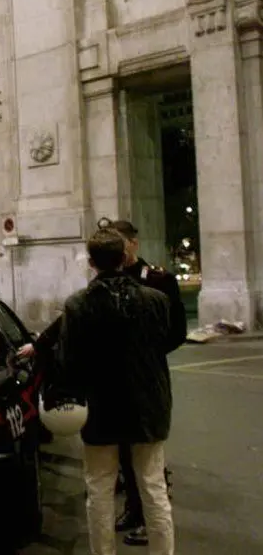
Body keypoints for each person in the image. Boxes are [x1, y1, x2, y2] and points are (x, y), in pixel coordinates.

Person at [59, 228, 176, 555]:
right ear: (124, 258)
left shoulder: (78, 305)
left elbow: (68, 361)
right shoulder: (156, 301)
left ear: (92, 263)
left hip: (100, 407)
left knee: (99, 489)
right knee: (153, 487)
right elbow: (163, 344)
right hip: (148, 405)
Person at [106, 219, 185, 546]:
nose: (119, 251)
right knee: (123, 451)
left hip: (146, 379)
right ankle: (133, 509)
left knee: (148, 456)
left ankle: (151, 522)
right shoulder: (107, 281)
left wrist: (147, 354)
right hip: (114, 380)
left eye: (121, 243)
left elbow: (177, 330)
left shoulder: (158, 280)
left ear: (133, 244)